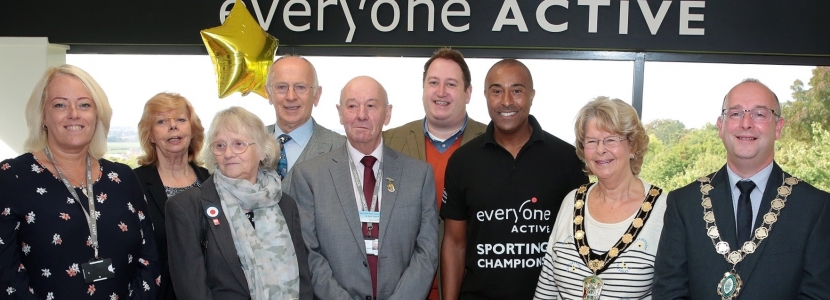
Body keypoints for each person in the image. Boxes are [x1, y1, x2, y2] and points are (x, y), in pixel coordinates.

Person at [653, 79, 830, 299]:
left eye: (759, 114)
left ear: (779, 127)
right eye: (735, 114)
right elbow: (668, 291)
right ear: (721, 126)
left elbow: (818, 294)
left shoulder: (814, 207)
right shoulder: (684, 203)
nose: (746, 123)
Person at [0, 64, 159, 299]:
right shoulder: (12, 176)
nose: (74, 113)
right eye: (60, 105)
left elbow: (149, 258)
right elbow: (5, 270)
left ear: (97, 115)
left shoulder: (124, 178)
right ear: (43, 115)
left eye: (84, 104)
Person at [440, 59, 588, 299]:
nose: (506, 101)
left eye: (517, 91)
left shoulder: (567, 159)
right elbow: (455, 244)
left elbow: (580, 242)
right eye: (497, 91)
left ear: (532, 95)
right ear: (485, 95)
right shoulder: (462, 161)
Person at [292, 76, 439, 300]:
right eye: (352, 106)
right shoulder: (309, 176)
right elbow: (309, 253)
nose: (361, 114)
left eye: (371, 105)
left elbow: (427, 252)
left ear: (387, 113)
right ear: (340, 113)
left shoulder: (419, 175)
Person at [165, 107, 313, 300]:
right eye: (220, 145)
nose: (228, 153)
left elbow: (303, 283)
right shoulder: (186, 207)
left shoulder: (285, 204)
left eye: (238, 144)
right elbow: (192, 292)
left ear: (262, 151)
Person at [533, 97, 668, 299]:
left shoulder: (665, 208)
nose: (600, 149)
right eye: (592, 141)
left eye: (611, 140)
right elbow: (547, 287)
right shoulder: (572, 201)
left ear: (633, 146)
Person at [383, 48, 487, 300]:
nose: (441, 92)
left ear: (468, 93)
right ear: (423, 89)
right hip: (402, 290)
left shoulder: (491, 143)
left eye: (451, 84)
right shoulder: (389, 142)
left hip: (471, 289)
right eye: (433, 83)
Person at [133, 92, 211, 300]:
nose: (173, 126)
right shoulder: (134, 184)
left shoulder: (210, 181)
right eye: (161, 121)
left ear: (192, 130)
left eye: (180, 120)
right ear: (150, 135)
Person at [265, 55, 345, 194]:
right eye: (282, 87)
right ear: (269, 93)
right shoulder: (248, 143)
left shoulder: (341, 148)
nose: (291, 96)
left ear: (317, 95)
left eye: (300, 87)